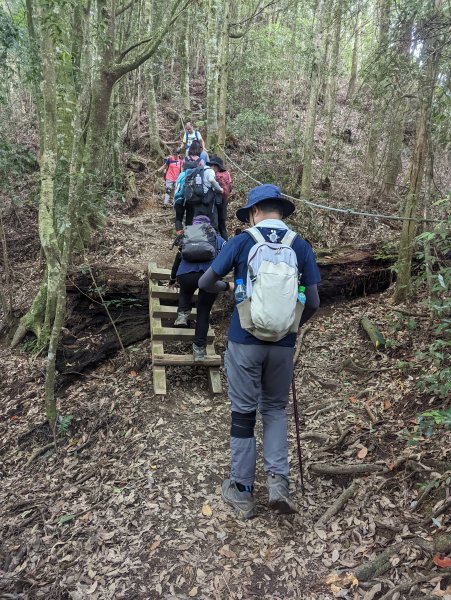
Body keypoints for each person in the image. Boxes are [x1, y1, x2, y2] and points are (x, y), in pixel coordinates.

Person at [198, 184, 321, 519]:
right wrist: (292, 327)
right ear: (280, 211)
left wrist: (228, 288)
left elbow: (205, 282)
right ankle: (279, 484)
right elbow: (313, 302)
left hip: (244, 341)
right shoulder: (300, 245)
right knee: (275, 411)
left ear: (254, 212)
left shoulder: (242, 241)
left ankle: (242, 490)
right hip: (282, 345)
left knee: (243, 412)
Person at [169, 215, 226, 361]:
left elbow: (178, 258)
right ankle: (199, 350)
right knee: (203, 313)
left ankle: (182, 313)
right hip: (209, 277)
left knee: (186, 291)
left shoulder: (188, 234)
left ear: (194, 225)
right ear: (209, 225)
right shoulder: (216, 237)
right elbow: (226, 256)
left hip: (186, 275)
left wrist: (172, 278)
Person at [175, 141, 223, 233]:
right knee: (190, 217)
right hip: (194, 191)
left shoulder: (185, 159)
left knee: (178, 218)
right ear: (198, 150)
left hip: (183, 187)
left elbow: (181, 171)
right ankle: (188, 237)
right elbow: (202, 173)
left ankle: (179, 237)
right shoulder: (200, 160)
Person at [206, 155, 232, 240]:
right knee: (222, 225)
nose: (211, 167)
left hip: (215, 202)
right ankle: (225, 243)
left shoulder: (214, 175)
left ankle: (217, 245)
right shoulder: (227, 173)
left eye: (212, 165)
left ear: (216, 166)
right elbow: (230, 188)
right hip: (224, 201)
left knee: (215, 224)